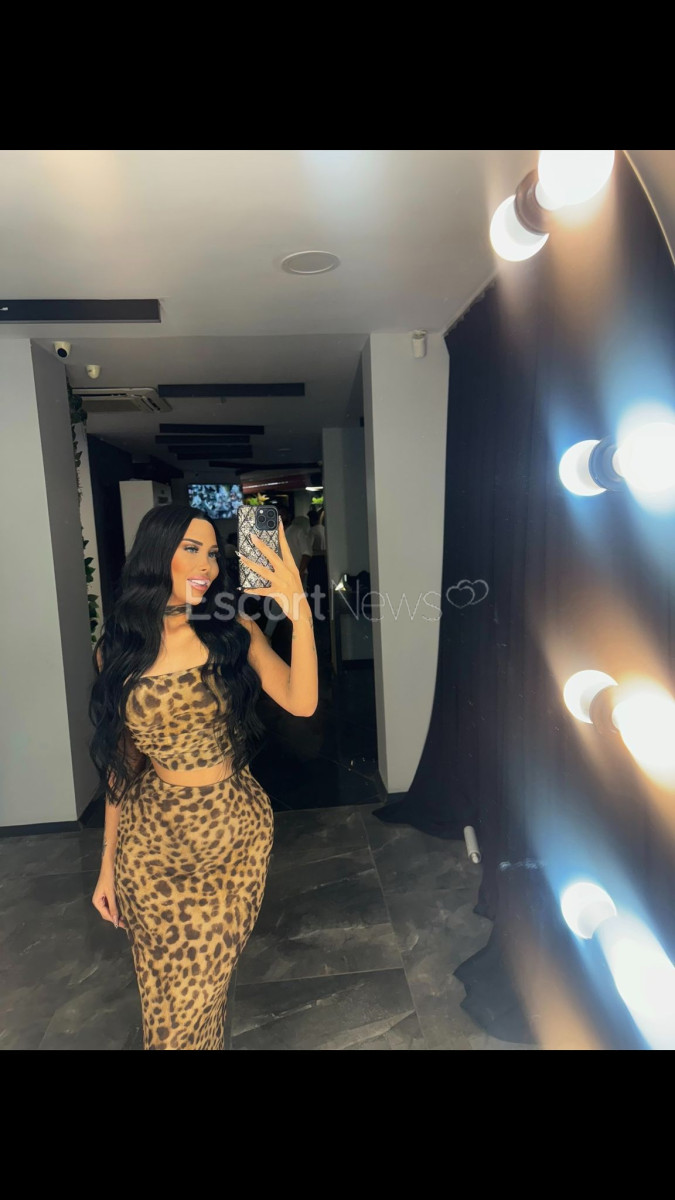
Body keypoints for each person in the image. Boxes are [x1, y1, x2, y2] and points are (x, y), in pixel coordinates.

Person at [89, 503, 318, 1050]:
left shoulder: (231, 632)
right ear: (155, 554)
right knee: (162, 994)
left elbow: (302, 702)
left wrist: (300, 614)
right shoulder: (117, 649)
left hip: (230, 839)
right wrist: (107, 865)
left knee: (197, 997)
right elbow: (124, 763)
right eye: (191, 549)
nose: (207, 566)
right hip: (151, 846)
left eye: (213, 553)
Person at [284, 513, 313, 583]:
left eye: (283, 514)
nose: (281, 516)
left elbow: (307, 554)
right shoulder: (274, 533)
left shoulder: (298, 531)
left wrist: (299, 574)